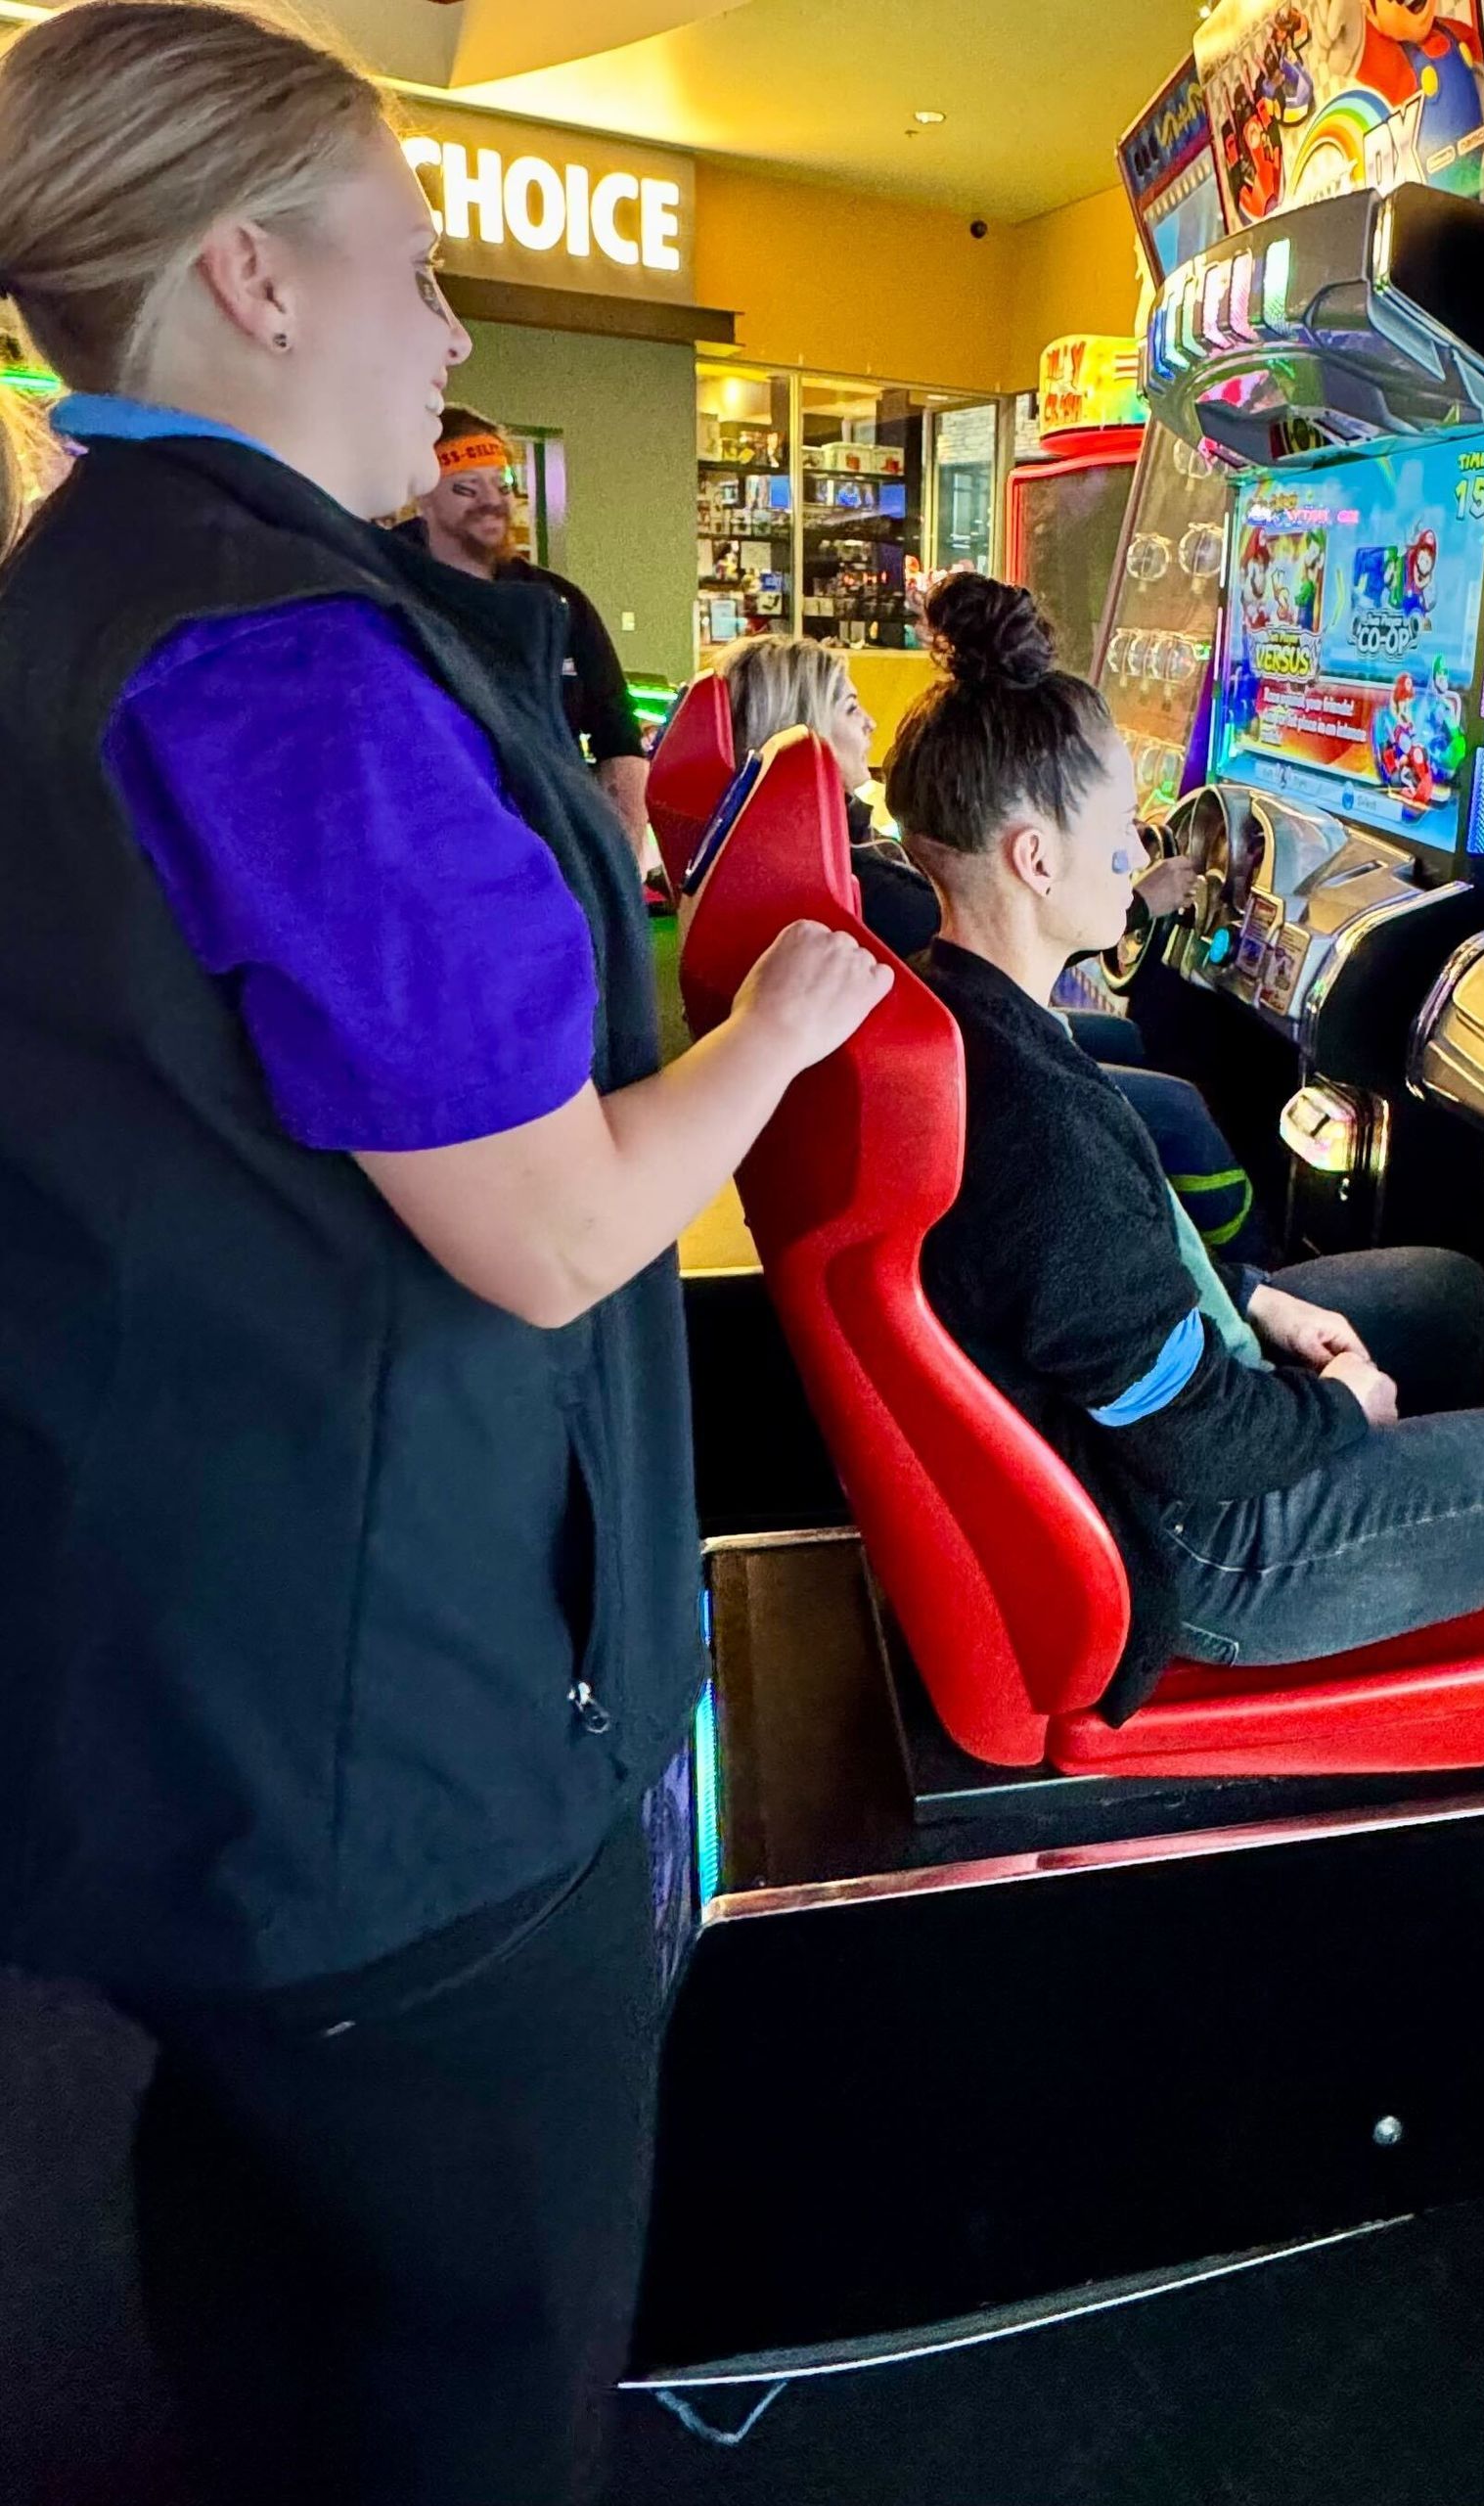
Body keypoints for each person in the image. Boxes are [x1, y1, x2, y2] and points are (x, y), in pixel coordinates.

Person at [0, 10, 887, 2504]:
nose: (453, 329)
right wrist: (778, 1024)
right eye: (412, 267)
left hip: (181, 1670)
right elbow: (554, 1225)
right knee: (478, 2347)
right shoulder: (286, 664)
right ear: (252, 277)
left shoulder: (88, 584)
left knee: (268, 2236)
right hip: (380, 1745)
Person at [884, 574, 1484, 1982]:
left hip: (1173, 1455)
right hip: (1219, 1545)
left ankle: (1457, 1576)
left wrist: (1261, 1296)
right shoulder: (1037, 1131)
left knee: (1454, 1291)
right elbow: (1196, 1437)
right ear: (1035, 858)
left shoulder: (984, 1023)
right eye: (1122, 826)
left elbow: (1126, 1275)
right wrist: (1345, 1414)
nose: (1143, 850)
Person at [714, 629, 1265, 1257]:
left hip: (968, 1076)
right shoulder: (870, 891)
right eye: (1118, 824)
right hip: (978, 1087)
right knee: (1178, 1109)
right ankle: (1255, 1255)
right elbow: (1003, 932)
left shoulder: (808, 856)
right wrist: (1136, 905)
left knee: (1128, 1042)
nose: (868, 721)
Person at [406, 400, 656, 875]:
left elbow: (619, 744)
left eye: (502, 485)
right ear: (424, 497)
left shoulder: (558, 603)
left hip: (553, 853)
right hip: (432, 857)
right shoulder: (384, 588)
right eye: (466, 487)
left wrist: (618, 872)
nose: (491, 502)